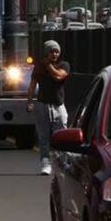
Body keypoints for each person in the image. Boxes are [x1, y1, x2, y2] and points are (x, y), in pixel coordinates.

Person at [27, 40, 70, 175]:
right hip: (42, 105)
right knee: (43, 136)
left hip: (58, 105)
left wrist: (48, 65)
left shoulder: (64, 65)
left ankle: (62, 161)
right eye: (51, 51)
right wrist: (29, 101)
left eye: (56, 51)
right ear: (46, 52)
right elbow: (32, 84)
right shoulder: (39, 67)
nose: (54, 54)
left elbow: (58, 76)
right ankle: (46, 163)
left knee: (62, 134)